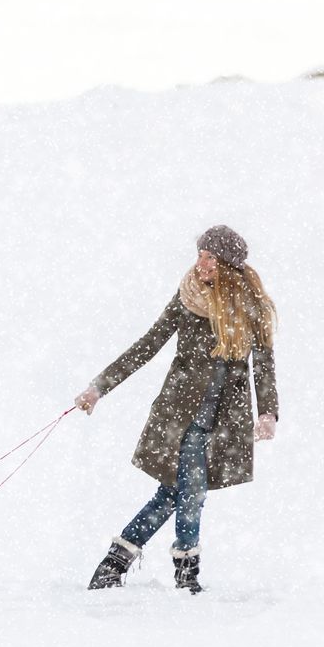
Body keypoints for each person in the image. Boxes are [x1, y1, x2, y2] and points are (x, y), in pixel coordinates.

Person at [74, 225, 280, 594]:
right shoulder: (188, 297)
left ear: (228, 267)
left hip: (223, 421)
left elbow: (263, 362)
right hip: (179, 416)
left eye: (210, 258)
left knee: (172, 494)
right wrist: (98, 387)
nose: (201, 263)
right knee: (192, 493)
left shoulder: (250, 308)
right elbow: (148, 344)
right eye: (200, 254)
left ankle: (114, 563)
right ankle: (187, 575)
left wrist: (268, 412)